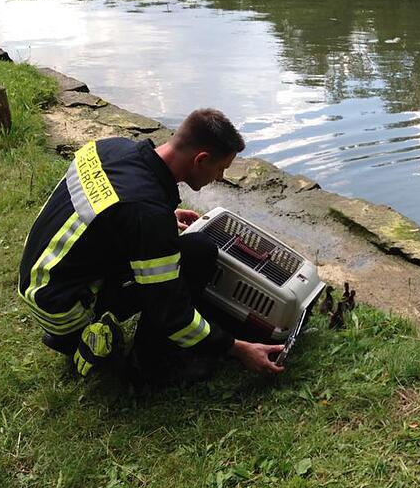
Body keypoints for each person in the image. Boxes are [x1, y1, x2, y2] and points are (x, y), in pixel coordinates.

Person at [18, 108, 285, 380]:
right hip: (63, 306)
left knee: (179, 252)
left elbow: (107, 215)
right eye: (220, 168)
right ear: (201, 160)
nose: (219, 177)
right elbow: (171, 313)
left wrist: (162, 218)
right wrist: (237, 348)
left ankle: (72, 336)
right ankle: (147, 364)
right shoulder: (146, 213)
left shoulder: (111, 148)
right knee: (198, 254)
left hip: (39, 277)